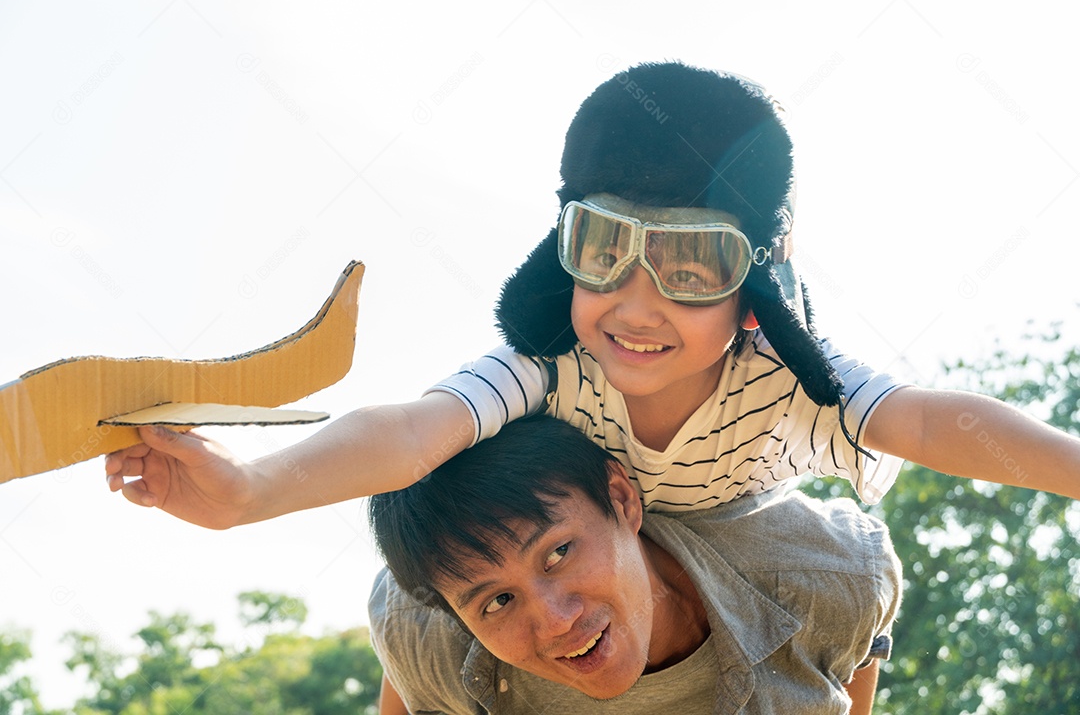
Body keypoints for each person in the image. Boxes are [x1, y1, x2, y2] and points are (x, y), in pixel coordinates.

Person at [104, 62, 1079, 528]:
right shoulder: (549, 366)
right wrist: (251, 492)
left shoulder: (785, 377)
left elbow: (929, 422)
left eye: (692, 266)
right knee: (420, 557)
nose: (637, 303)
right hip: (597, 564)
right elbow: (408, 434)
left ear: (754, 291)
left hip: (749, 547)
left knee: (829, 565)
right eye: (605, 248)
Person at [366, 415, 903, 714]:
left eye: (558, 553)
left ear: (621, 499)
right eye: (498, 601)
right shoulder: (425, 629)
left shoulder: (824, 575)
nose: (557, 620)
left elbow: (863, 623)